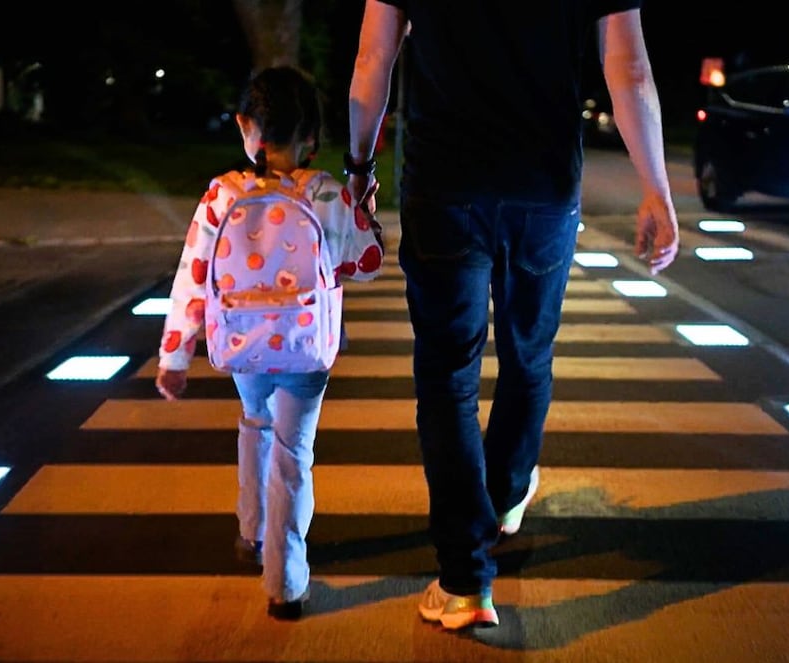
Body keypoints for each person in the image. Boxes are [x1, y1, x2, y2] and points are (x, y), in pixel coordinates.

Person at [346, 1, 680, 630]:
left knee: (447, 378)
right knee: (528, 355)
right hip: (543, 186)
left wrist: (360, 165)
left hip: (444, 183)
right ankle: (503, 492)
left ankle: (465, 580)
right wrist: (655, 187)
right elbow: (629, 70)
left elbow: (373, 58)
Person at [155, 65, 384, 621]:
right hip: (307, 349)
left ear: (245, 127)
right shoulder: (325, 192)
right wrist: (366, 212)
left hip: (243, 345)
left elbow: (192, 276)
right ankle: (284, 580)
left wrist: (175, 356)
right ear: (310, 138)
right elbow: (367, 263)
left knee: (255, 419)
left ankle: (250, 530)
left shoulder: (220, 196)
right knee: (294, 452)